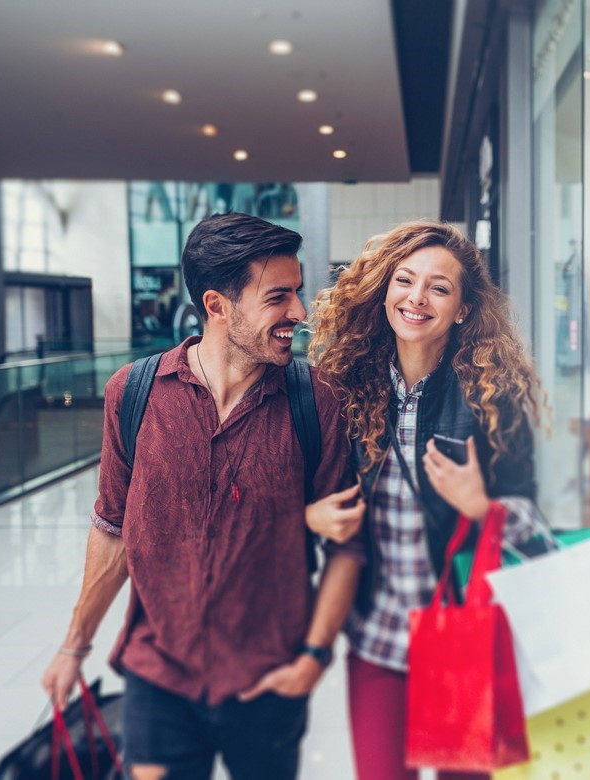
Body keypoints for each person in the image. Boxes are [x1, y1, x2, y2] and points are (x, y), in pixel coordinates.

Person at [42, 213, 365, 780]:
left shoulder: (316, 401)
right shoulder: (135, 394)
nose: (298, 313)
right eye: (278, 297)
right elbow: (113, 529)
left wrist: (313, 658)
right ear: (217, 306)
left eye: (296, 292)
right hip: (159, 674)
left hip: (268, 675)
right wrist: (74, 646)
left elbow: (346, 546)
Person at [306, 221, 550, 780]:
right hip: (377, 637)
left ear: (463, 308)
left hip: (462, 635)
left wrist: (481, 507)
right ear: (384, 291)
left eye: (439, 288)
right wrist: (311, 516)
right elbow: (304, 489)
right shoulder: (343, 387)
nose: (417, 298)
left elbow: (532, 520)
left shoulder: (493, 394)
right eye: (405, 280)